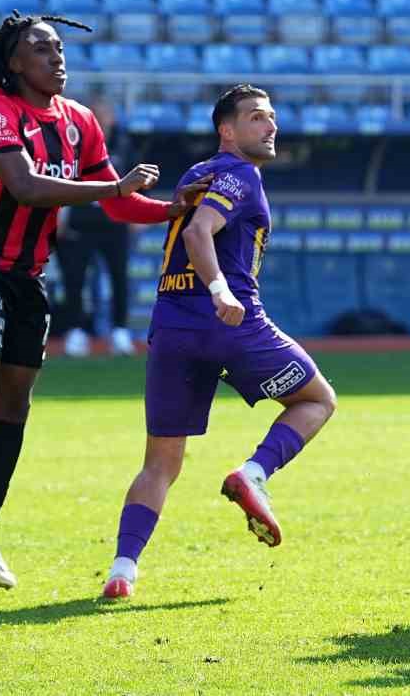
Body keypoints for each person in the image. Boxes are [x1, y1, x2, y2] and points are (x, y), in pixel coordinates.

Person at [0, 14, 206, 591]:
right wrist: (115, 186)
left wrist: (171, 209)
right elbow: (26, 187)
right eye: (40, 48)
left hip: (27, 274)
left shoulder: (79, 121)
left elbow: (119, 206)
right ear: (13, 63)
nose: (57, 57)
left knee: (14, 407)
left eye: (58, 48)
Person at [100, 86, 337, 600]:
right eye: (256, 118)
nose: (270, 126)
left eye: (271, 117)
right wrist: (219, 289)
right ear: (226, 130)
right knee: (318, 399)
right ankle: (254, 473)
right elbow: (198, 232)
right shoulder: (241, 174)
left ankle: (122, 568)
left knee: (161, 462)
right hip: (228, 323)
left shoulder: (199, 173)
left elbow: (188, 224)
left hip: (171, 327)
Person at [56, 98, 136, 358]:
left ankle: (120, 331)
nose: (100, 120)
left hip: (115, 223)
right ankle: (75, 331)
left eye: (104, 115)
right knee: (74, 279)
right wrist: (58, 214)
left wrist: (138, 213)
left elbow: (139, 180)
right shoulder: (71, 144)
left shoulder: (123, 145)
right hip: (80, 223)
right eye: (95, 115)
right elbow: (59, 179)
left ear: (112, 118)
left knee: (119, 277)